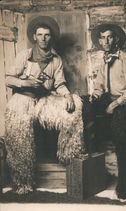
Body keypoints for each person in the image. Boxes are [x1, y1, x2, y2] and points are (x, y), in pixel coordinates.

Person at [5, 16, 84, 195]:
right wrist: (26, 83)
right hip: (22, 101)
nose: (43, 38)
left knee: (75, 107)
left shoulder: (56, 59)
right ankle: (23, 182)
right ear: (34, 37)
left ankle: (69, 155)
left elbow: (60, 83)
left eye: (47, 35)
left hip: (42, 100)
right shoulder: (24, 55)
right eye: (40, 35)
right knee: (21, 140)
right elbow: (8, 79)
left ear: (51, 37)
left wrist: (68, 96)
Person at [91, 24, 126, 201]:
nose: (106, 41)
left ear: (116, 39)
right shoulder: (105, 60)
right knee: (121, 149)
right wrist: (95, 94)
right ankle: (124, 187)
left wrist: (113, 105)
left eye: (109, 37)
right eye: (102, 38)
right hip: (115, 109)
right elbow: (100, 84)